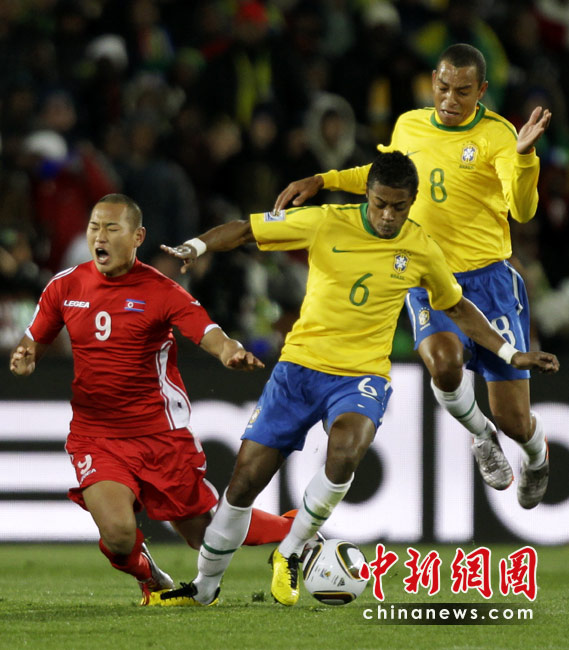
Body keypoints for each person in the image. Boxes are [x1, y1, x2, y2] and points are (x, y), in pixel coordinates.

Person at [159, 151, 558, 607]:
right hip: (299, 368)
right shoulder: (325, 222)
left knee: (346, 452)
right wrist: (197, 246)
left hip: (362, 376)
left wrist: (510, 353)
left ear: (412, 202)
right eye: (380, 204)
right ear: (367, 195)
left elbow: (456, 306)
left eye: (399, 207)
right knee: (245, 482)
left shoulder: (421, 247)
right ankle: (205, 586)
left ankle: (290, 551)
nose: (388, 215)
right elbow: (247, 230)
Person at [274, 43, 554, 510]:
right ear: (432, 82)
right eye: (442, 87)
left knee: (515, 419)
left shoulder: (499, 135)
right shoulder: (409, 125)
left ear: (481, 91)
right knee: (442, 363)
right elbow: (382, 176)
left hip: (490, 282)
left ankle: (535, 453)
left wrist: (524, 158)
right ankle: (480, 435)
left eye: (462, 91)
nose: (449, 99)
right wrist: (324, 180)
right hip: (427, 276)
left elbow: (523, 210)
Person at [9, 193, 296, 607]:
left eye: (112, 228)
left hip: (160, 435)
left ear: (137, 237)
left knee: (205, 534)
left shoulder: (161, 290)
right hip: (97, 436)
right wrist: (25, 357)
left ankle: (297, 533)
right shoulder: (65, 285)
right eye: (94, 227)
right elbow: (33, 339)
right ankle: (153, 579)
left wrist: (229, 351)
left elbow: (207, 331)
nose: (100, 237)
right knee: (118, 534)